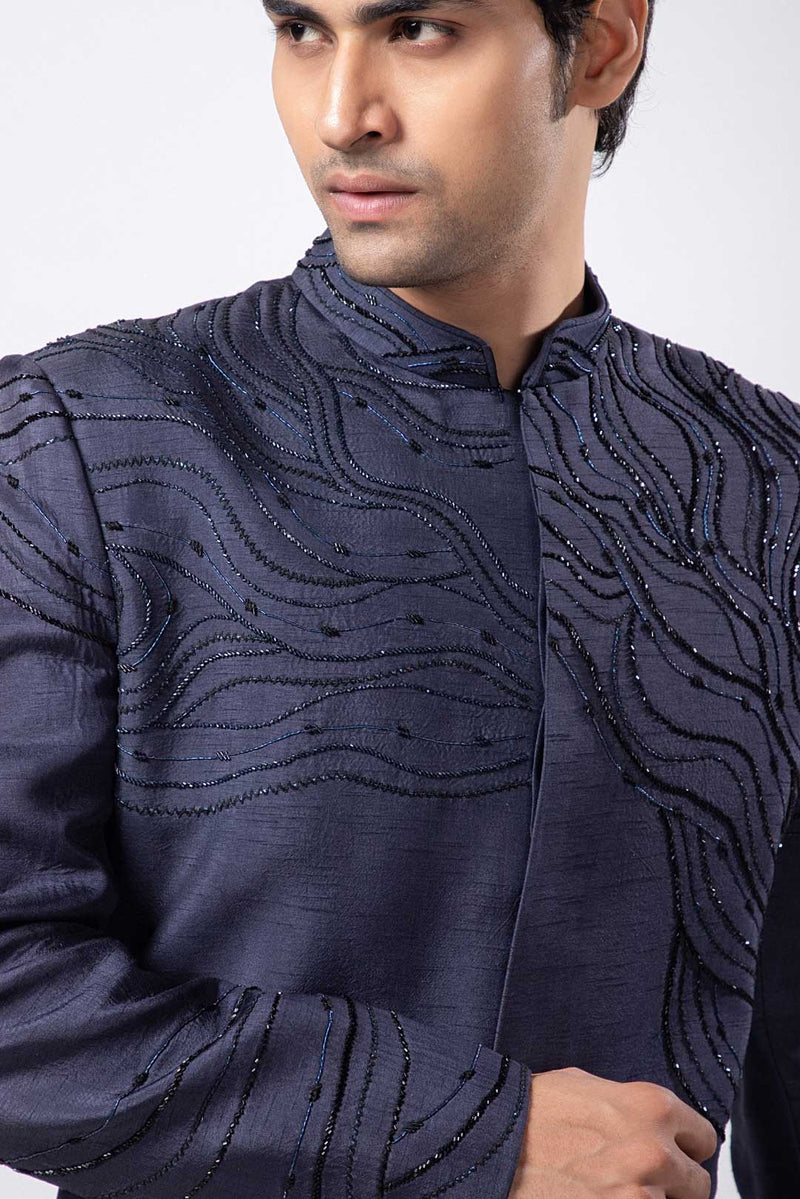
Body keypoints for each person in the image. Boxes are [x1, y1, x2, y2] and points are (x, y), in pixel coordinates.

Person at [0, 0, 794, 1196]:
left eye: (417, 29)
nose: (341, 114)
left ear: (601, 44)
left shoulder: (765, 480)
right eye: (301, 30)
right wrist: (475, 1132)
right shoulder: (80, 442)